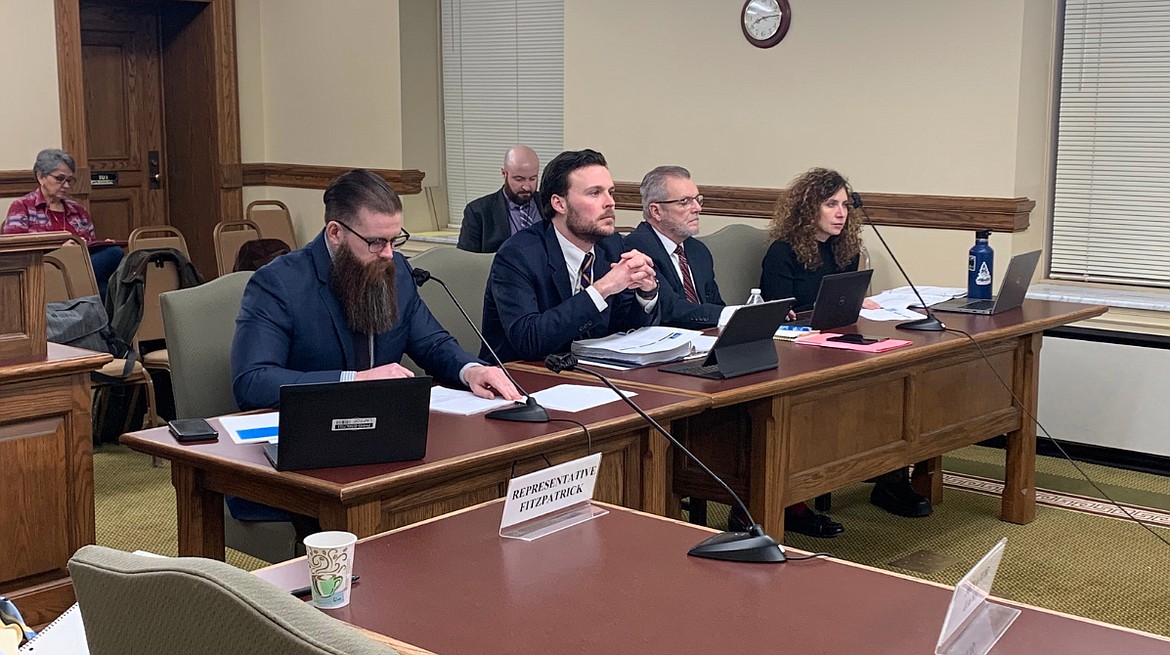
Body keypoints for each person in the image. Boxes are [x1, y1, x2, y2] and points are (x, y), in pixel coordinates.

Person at [231, 168, 522, 411]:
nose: (388, 254)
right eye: (376, 242)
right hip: (310, 432)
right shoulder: (279, 284)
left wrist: (471, 370)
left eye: (395, 240)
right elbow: (253, 381)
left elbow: (433, 344)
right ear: (335, 233)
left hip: (385, 427)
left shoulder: (397, 273)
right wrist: (354, 381)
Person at [762, 167, 930, 519]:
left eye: (844, 204)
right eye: (830, 204)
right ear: (808, 209)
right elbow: (778, 309)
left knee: (888, 382)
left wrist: (859, 303)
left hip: (837, 342)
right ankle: (793, 501)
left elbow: (840, 305)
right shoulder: (782, 252)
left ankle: (891, 477)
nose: (841, 213)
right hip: (797, 351)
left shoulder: (845, 250)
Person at [480, 149, 659, 362]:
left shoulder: (611, 245)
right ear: (559, 203)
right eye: (595, 193)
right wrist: (602, 289)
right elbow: (529, 340)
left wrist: (645, 294)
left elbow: (623, 330)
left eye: (610, 192)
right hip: (523, 379)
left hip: (593, 375)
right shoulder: (517, 255)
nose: (610, 202)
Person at [3, 148, 124, 299]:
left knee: (113, 253)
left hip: (80, 266)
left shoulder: (78, 210)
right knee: (102, 280)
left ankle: (88, 308)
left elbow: (90, 245)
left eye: (69, 180)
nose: (66, 185)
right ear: (41, 177)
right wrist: (60, 251)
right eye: (60, 179)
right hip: (45, 271)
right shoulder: (22, 206)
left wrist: (100, 246)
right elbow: (14, 253)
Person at [622, 166, 724, 329]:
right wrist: (730, 314)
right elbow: (670, 310)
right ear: (656, 211)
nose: (697, 208)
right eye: (685, 202)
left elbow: (715, 304)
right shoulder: (636, 248)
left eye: (698, 199)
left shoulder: (698, 250)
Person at [457, 145, 542, 253]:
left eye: (532, 179)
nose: (526, 186)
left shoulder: (549, 205)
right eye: (519, 179)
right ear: (504, 173)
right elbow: (466, 261)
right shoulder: (479, 212)